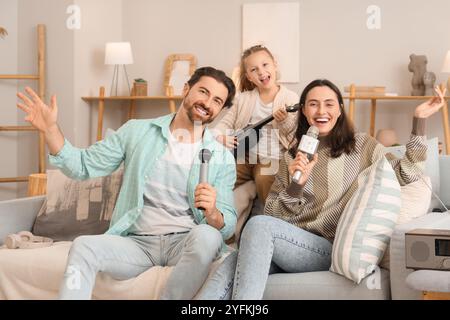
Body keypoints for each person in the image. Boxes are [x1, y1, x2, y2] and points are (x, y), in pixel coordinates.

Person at [200, 79, 446, 300]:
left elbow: (407, 173)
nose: (321, 111)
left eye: (329, 104)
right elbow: (275, 216)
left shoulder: (363, 147)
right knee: (234, 261)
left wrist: (419, 120)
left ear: (339, 109)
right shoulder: (292, 156)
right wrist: (297, 184)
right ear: (305, 112)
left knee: (257, 225)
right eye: (313, 105)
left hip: (326, 248)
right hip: (289, 245)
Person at [16, 66, 237, 300]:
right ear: (186, 89)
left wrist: (212, 212)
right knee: (83, 246)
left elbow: (228, 224)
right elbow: (83, 165)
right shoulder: (138, 131)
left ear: (220, 110)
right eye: (203, 92)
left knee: (208, 236)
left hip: (184, 242)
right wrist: (51, 129)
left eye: (217, 101)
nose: (207, 103)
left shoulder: (220, 157)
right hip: (137, 243)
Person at [213, 45, 299, 204]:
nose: (261, 71)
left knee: (263, 177)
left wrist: (283, 121)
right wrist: (221, 137)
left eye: (265, 65)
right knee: (220, 176)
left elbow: (293, 133)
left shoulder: (290, 97)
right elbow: (224, 124)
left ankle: (271, 217)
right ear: (249, 77)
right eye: (254, 69)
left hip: (273, 158)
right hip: (244, 157)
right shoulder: (243, 99)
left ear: (275, 64)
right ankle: (215, 213)